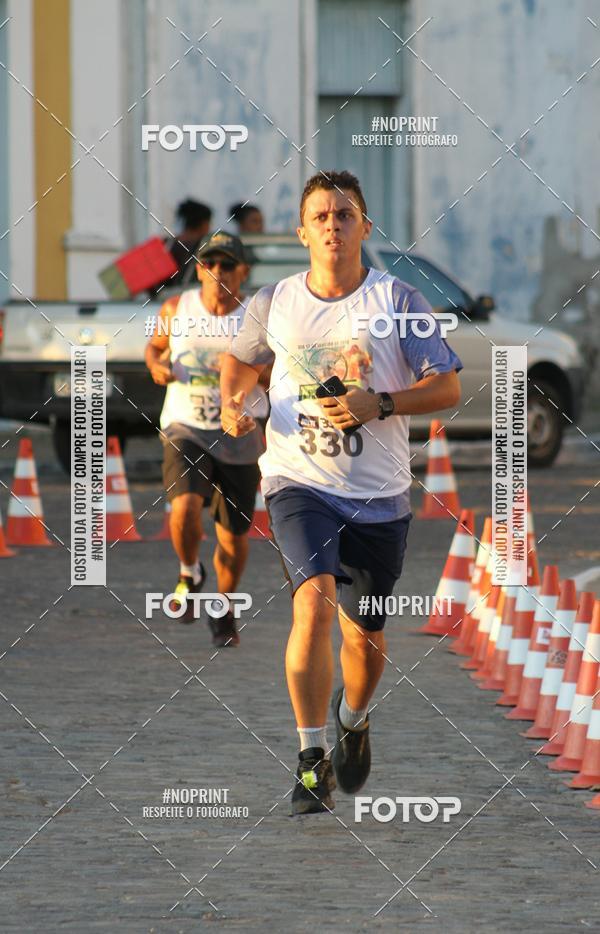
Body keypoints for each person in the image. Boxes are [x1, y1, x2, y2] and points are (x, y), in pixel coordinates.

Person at [220, 170, 462, 814]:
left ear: (365, 228)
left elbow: (447, 388)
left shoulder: (398, 300)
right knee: (314, 606)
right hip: (297, 481)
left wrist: (378, 400)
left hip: (379, 494)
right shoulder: (274, 302)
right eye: (321, 216)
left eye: (345, 214)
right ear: (302, 231)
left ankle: (353, 717)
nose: (332, 225)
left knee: (364, 637)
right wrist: (235, 404)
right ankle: (310, 758)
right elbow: (241, 362)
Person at [145, 231, 268, 647]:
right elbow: (155, 347)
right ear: (198, 269)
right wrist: (156, 366)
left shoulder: (257, 316)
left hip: (240, 435)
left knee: (233, 539)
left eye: (228, 264)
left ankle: (224, 606)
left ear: (243, 271)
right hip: (186, 426)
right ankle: (189, 569)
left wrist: (239, 371)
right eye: (210, 263)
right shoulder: (176, 308)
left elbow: (277, 373)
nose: (218, 272)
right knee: (184, 507)